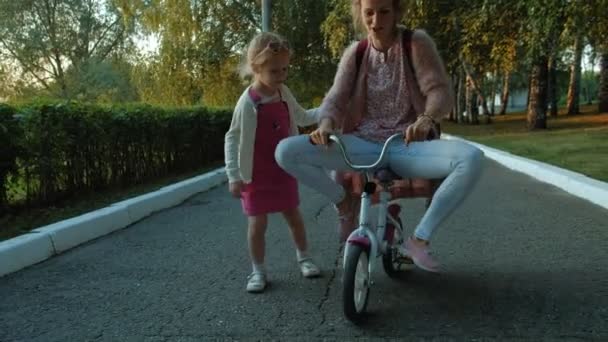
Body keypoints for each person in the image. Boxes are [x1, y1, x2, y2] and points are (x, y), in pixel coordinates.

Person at [275, 0, 483, 273]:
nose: (375, 20)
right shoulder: (357, 53)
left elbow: (439, 91)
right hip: (362, 143)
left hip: (406, 146)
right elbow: (336, 98)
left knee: (471, 158)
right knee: (285, 151)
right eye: (369, 13)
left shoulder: (415, 43)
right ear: (360, 13)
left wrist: (426, 118)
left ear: (397, 11)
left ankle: (419, 240)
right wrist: (325, 124)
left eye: (384, 11)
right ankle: (343, 201)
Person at [225, 32, 321, 293]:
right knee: (257, 225)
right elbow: (232, 138)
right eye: (275, 71)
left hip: (283, 170)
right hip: (255, 175)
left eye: (285, 69)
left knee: (294, 217)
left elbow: (301, 117)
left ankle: (305, 257)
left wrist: (328, 109)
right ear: (257, 68)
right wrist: (234, 175)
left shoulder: (283, 93)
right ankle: (258, 271)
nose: (281, 76)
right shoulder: (247, 102)